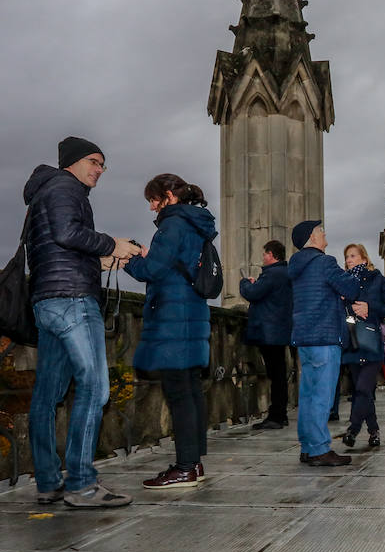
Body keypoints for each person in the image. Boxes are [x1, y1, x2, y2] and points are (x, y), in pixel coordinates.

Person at [24, 136, 139, 508]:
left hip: (48, 299)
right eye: (94, 161)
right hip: (73, 301)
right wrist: (112, 245)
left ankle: (47, 481)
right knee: (95, 388)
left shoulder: (46, 191)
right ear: (72, 162)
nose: (100, 170)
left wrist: (98, 261)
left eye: (103, 164)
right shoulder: (64, 187)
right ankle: (82, 485)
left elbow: (59, 245)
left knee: (47, 396)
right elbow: (67, 233)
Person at [123, 174, 217, 488]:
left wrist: (128, 259)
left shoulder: (173, 225)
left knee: (179, 393)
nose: (151, 208)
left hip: (173, 320)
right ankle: (194, 463)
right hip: (192, 316)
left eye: (153, 200)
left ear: (168, 196)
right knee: (190, 392)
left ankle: (186, 466)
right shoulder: (196, 224)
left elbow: (153, 270)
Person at [288, 220, 366, 466]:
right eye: (320, 231)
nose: (324, 233)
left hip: (304, 337)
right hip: (325, 335)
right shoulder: (324, 262)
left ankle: (308, 447)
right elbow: (351, 289)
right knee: (321, 395)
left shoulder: (297, 265)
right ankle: (320, 449)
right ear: (312, 238)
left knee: (309, 395)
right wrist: (357, 271)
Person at [338, 244, 385, 449]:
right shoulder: (342, 281)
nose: (349, 260)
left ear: (364, 259)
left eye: (353, 256)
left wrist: (369, 307)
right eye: (347, 257)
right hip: (352, 340)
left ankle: (353, 429)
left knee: (363, 388)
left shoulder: (378, 279)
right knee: (362, 391)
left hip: (371, 341)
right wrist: (347, 306)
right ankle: (374, 431)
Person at [240, 240, 293, 430]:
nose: (263, 257)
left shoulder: (272, 274)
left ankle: (277, 416)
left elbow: (252, 293)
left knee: (276, 375)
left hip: (269, 332)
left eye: (264, 254)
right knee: (279, 374)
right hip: (279, 331)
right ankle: (280, 414)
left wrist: (246, 282)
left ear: (271, 254)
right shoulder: (286, 273)